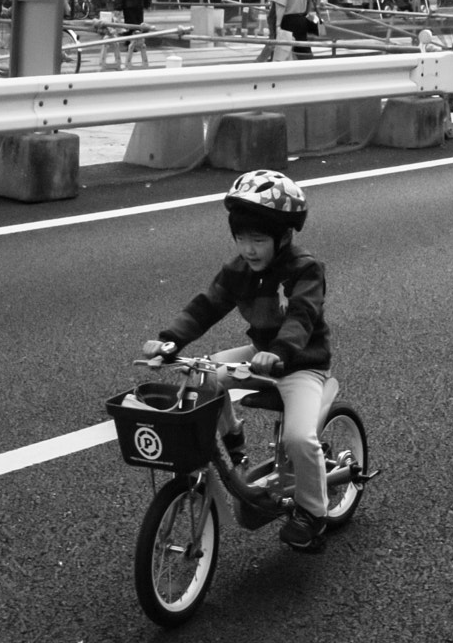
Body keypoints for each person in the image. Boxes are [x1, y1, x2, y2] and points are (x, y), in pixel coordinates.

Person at [140, 170, 335, 552]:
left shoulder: (305, 269)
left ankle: (313, 513)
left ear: (283, 237)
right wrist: (170, 341)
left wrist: (279, 353)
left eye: (258, 239)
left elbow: (301, 317)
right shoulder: (239, 270)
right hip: (259, 355)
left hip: (301, 363)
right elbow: (207, 305)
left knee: (299, 438)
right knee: (201, 378)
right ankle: (236, 448)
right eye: (241, 238)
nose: (249, 249)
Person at [116, 0, 154, 65]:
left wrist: (147, 4)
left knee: (139, 25)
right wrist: (118, 7)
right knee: (131, 26)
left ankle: (135, 43)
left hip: (139, 7)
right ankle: (130, 43)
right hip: (128, 7)